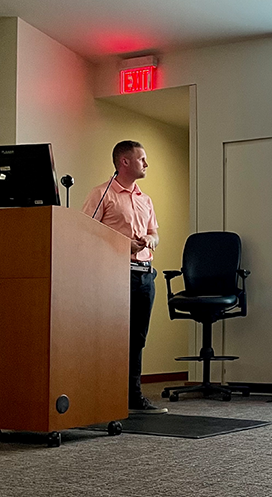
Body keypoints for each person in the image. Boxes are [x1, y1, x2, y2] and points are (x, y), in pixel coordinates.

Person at [82, 140, 166, 414]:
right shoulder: (102, 194)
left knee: (137, 337)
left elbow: (155, 232)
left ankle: (134, 396)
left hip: (144, 275)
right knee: (111, 336)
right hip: (114, 274)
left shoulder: (146, 200)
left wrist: (149, 241)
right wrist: (122, 243)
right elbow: (86, 231)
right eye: (142, 159)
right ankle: (105, 395)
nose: (146, 164)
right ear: (124, 162)